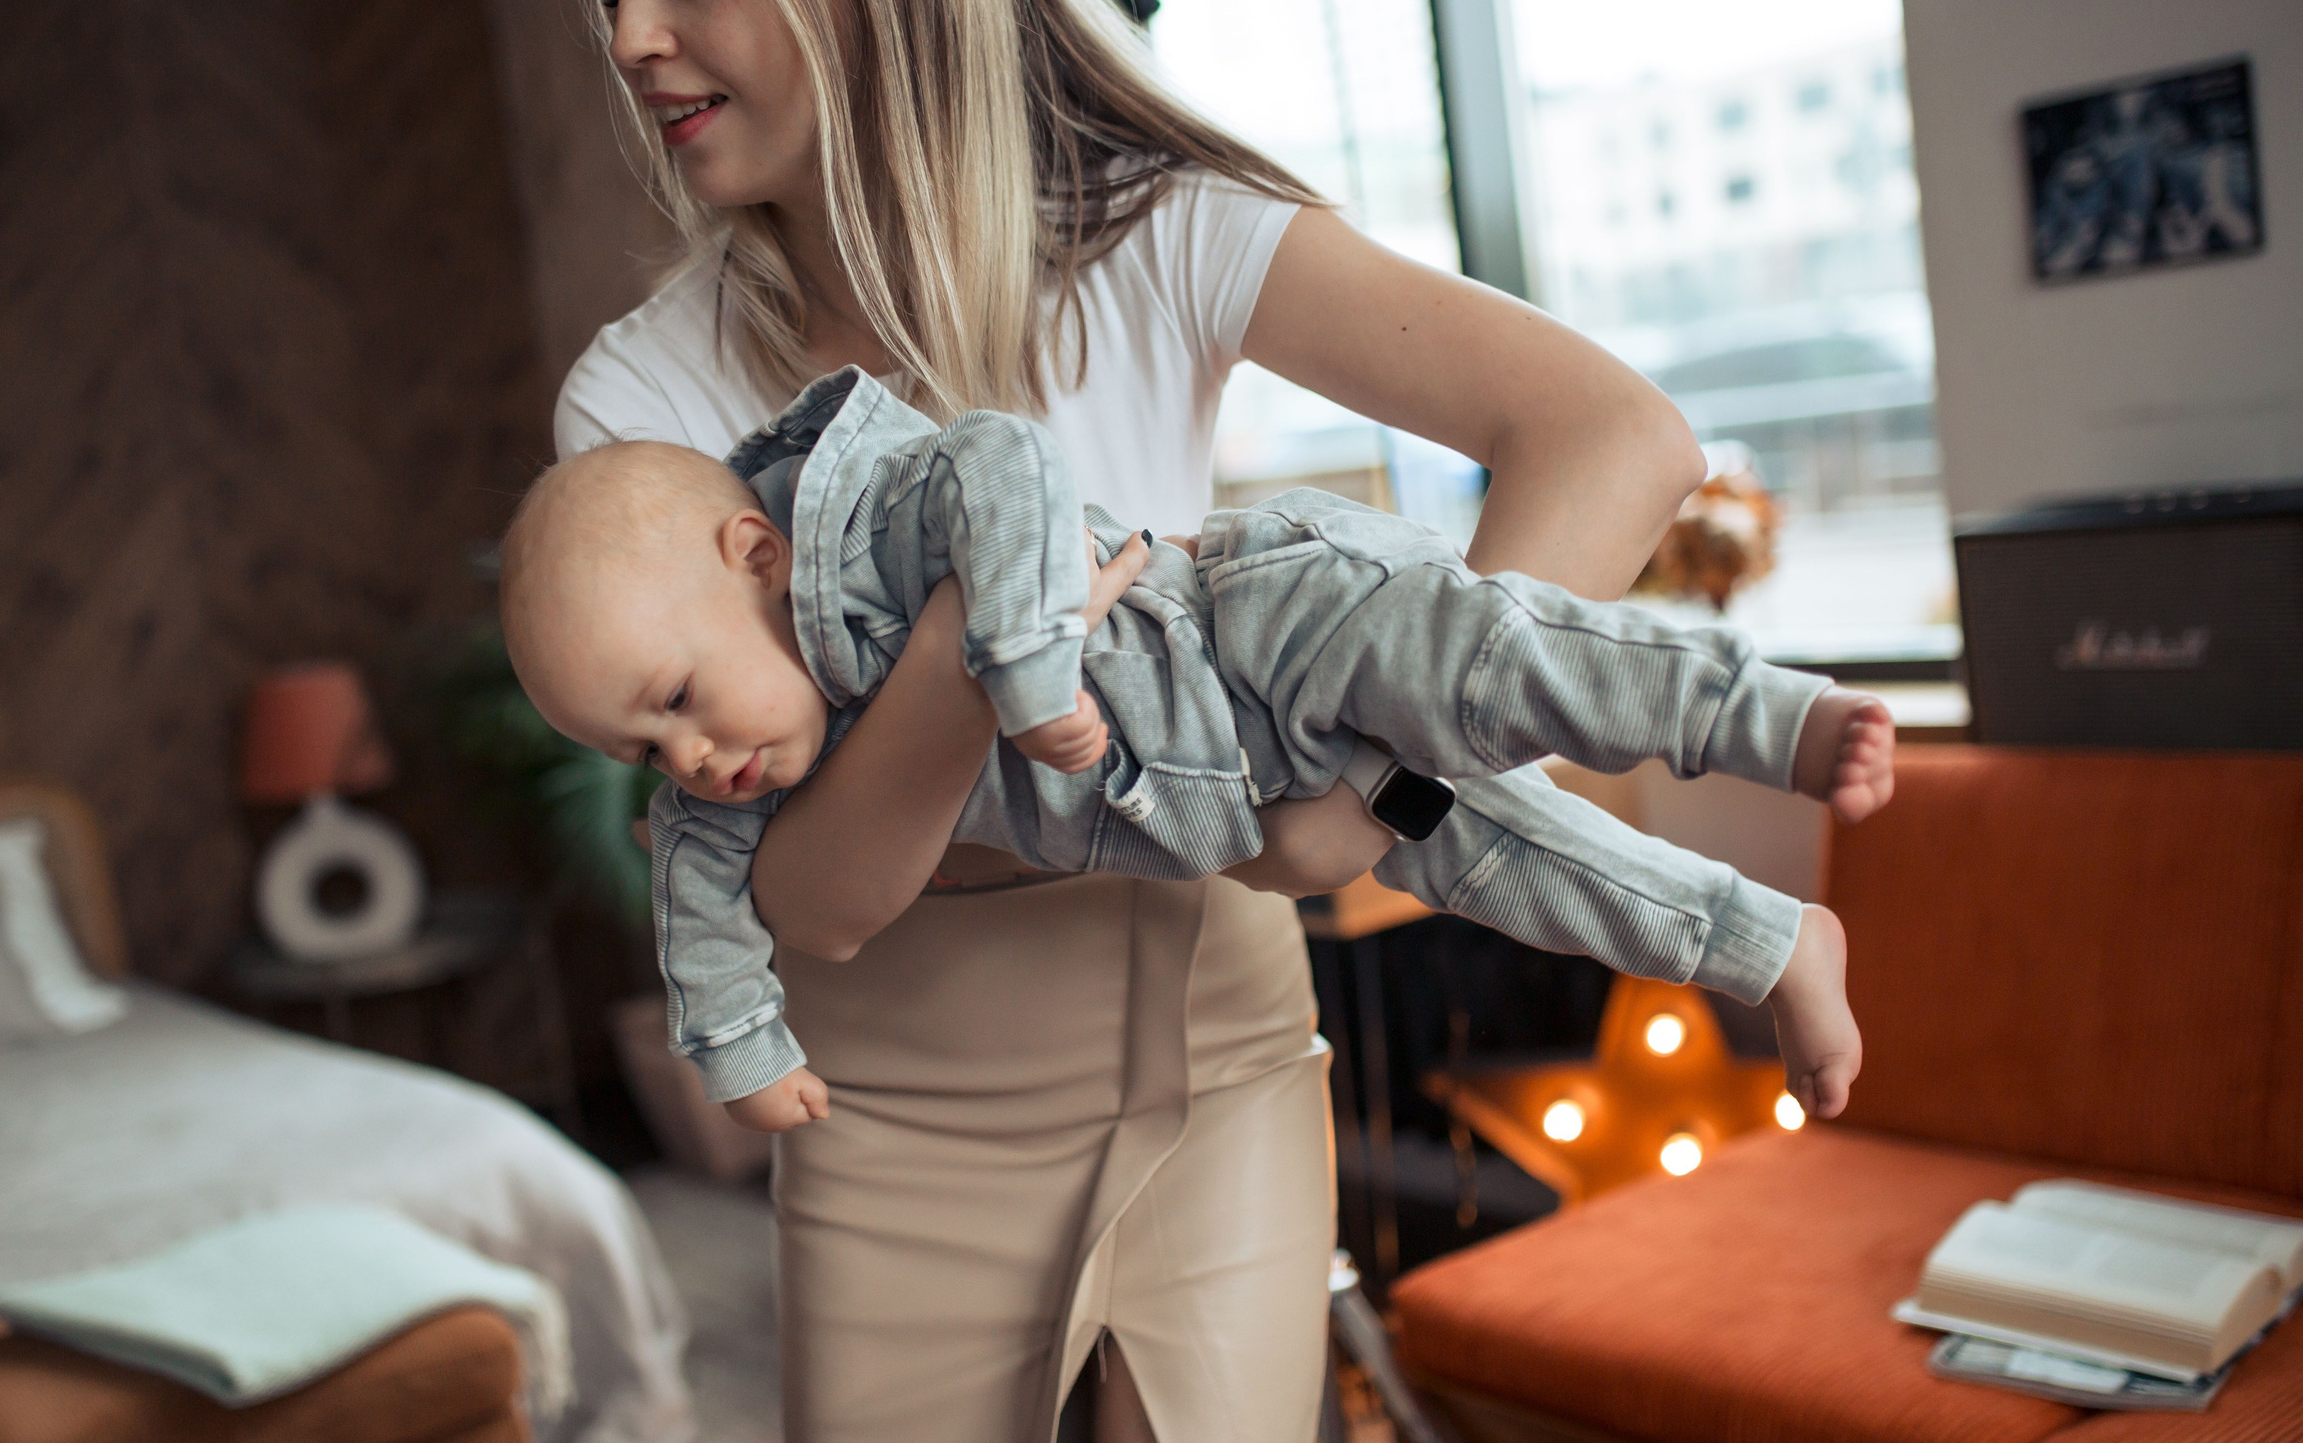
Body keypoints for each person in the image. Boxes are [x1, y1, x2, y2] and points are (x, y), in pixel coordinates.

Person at [553, 0, 1750, 1443]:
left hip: (1224, 1060)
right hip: (894, 1118)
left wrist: (1382, 794)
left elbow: (1614, 433)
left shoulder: (1160, 231)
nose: (629, 41)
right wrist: (979, 639)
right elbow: (809, 902)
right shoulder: (643, 405)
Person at [503, 371, 1889, 1128]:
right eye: (641, 745)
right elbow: (706, 926)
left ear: (758, 556)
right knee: (1511, 862)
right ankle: (1765, 944)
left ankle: (1766, 714)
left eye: (678, 697)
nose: (684, 758)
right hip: (1241, 788)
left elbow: (1006, 459)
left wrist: (1026, 655)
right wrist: (745, 1059)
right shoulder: (730, 783)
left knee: (1494, 668)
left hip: (1254, 622)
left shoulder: (869, 521)